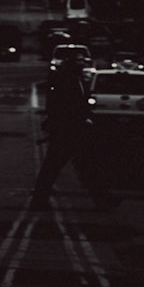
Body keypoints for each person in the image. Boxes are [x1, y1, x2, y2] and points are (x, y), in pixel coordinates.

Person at [30, 58, 97, 208]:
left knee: (84, 166)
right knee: (56, 167)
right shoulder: (67, 83)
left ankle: (102, 198)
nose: (83, 67)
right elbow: (66, 107)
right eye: (79, 64)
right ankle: (102, 198)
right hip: (68, 131)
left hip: (72, 131)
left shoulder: (75, 82)